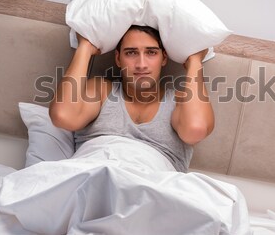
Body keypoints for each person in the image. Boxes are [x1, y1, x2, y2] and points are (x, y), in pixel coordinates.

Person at [49, 25, 214, 173]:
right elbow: (63, 116)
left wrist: (194, 62)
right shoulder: (101, 90)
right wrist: (85, 47)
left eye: (151, 52)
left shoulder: (180, 102)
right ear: (118, 59)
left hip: (153, 188)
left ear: (163, 58)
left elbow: (195, 130)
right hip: (92, 176)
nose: (141, 64)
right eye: (131, 53)